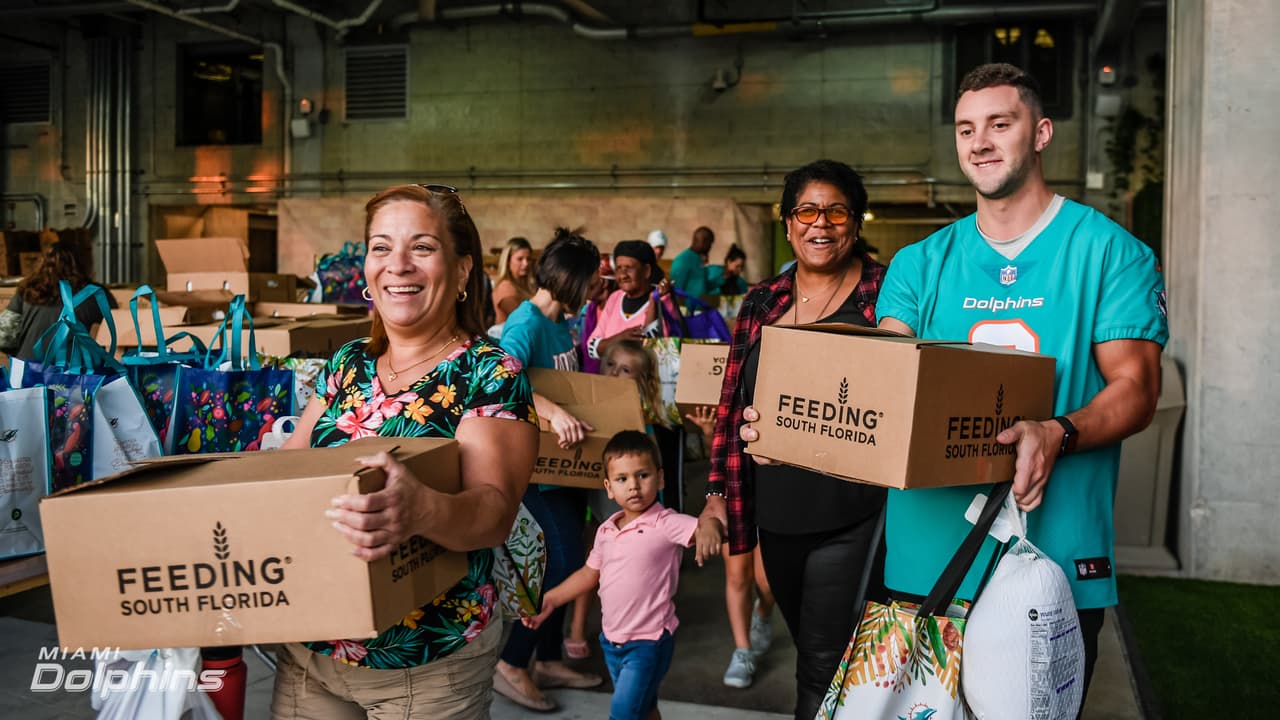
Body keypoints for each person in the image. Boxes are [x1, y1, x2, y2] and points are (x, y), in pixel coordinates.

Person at [869, 63, 1167, 713]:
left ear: (1041, 133)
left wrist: (1056, 431)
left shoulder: (1111, 253)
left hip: (1052, 562)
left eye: (1000, 124)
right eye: (965, 129)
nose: (979, 142)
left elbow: (1138, 389)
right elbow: (882, 386)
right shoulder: (918, 264)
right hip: (925, 558)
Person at [271, 183, 539, 719]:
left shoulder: (489, 372)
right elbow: (290, 469)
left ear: (462, 271)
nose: (398, 265)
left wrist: (422, 508)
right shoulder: (348, 362)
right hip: (312, 650)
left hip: (427, 661)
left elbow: (493, 512)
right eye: (380, 247)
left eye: (421, 247)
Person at [699, 159, 888, 719]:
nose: (820, 224)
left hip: (853, 512)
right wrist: (716, 494)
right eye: (807, 210)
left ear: (855, 222)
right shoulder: (762, 301)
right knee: (817, 647)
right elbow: (732, 405)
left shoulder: (887, 293)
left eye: (835, 211)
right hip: (776, 518)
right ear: (787, 225)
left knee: (821, 663)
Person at [522, 430, 723, 720]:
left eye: (643, 475)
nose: (634, 486)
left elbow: (705, 526)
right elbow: (588, 575)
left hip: (649, 643)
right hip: (612, 642)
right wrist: (551, 599)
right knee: (645, 708)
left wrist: (712, 527)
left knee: (624, 714)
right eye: (622, 479)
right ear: (608, 487)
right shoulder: (605, 530)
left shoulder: (666, 523)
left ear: (661, 478)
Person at [495, 228, 605, 712]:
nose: (594, 290)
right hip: (538, 472)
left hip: (570, 468)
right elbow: (502, 383)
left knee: (571, 561)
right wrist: (553, 412)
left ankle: (546, 658)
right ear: (570, 280)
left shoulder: (563, 323)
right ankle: (512, 662)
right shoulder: (527, 323)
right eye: (591, 282)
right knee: (558, 566)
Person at [565, 339, 667, 662]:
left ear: (641, 380)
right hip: (598, 494)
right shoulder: (591, 403)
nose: (615, 373)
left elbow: (652, 461)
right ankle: (578, 628)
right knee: (593, 558)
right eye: (611, 365)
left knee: (630, 564)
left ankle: (635, 626)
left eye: (626, 370)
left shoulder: (643, 414)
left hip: (632, 502)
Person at [684, 405, 776, 690]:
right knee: (737, 575)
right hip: (735, 487)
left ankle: (763, 614)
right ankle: (742, 650)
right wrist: (710, 431)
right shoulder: (734, 383)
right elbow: (722, 442)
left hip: (774, 487)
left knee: (768, 579)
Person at [0, 241, 117, 361]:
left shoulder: (27, 290)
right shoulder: (95, 293)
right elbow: (118, 331)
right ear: (84, 264)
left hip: (27, 370)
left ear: (42, 263)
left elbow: (4, 337)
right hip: (72, 373)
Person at [584, 240, 676, 366]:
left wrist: (654, 302)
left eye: (629, 268)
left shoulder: (663, 300)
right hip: (611, 382)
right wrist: (619, 339)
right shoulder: (615, 298)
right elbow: (592, 347)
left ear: (647, 271)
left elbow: (656, 351)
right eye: (618, 268)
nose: (622, 275)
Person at [578, 254, 617, 375]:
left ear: (604, 282)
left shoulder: (617, 310)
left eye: (591, 282)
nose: (585, 286)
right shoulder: (589, 310)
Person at [668, 226, 722, 300]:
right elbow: (676, 290)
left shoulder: (699, 259)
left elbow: (703, 286)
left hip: (700, 309)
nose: (710, 247)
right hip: (687, 310)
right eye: (710, 243)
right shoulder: (682, 260)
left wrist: (723, 277)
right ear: (703, 241)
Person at [491, 236, 536, 324]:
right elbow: (523, 318)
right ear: (508, 261)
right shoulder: (505, 287)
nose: (526, 264)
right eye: (520, 259)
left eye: (528, 259)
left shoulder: (528, 285)